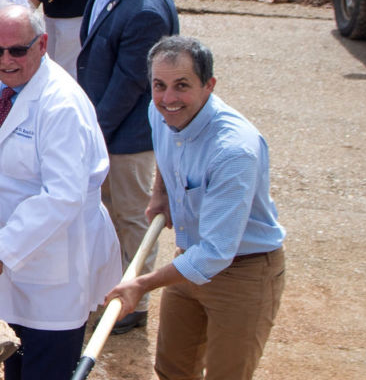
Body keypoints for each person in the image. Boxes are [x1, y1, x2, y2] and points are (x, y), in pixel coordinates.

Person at [104, 36, 287, 380]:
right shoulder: (161, 112)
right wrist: (160, 192)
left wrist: (141, 284)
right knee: (173, 368)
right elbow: (167, 150)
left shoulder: (234, 150)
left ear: (209, 85)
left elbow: (216, 253)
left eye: (182, 86)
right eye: (159, 86)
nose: (168, 99)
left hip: (243, 271)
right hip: (190, 259)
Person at [0, 3, 122, 380]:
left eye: (17, 50)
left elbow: (63, 196)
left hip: (57, 266)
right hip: (15, 257)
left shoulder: (61, 105)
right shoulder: (1, 84)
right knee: (16, 366)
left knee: (46, 368)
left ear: (42, 44)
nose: (6, 60)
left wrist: (1, 246)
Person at [76, 0, 180, 335]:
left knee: (131, 217)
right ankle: (109, 290)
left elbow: (129, 84)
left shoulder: (146, 9)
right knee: (111, 214)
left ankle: (133, 303)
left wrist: (91, 132)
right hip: (109, 125)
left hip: (127, 136)